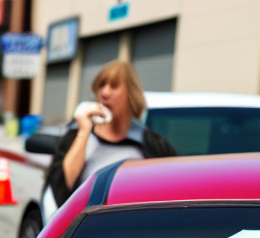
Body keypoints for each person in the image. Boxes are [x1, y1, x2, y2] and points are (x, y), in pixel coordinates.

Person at [45, 58, 175, 206]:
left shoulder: (150, 142)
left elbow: (174, 186)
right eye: (101, 86)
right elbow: (61, 192)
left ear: (131, 94)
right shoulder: (79, 135)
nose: (104, 93)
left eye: (114, 86)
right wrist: (84, 131)